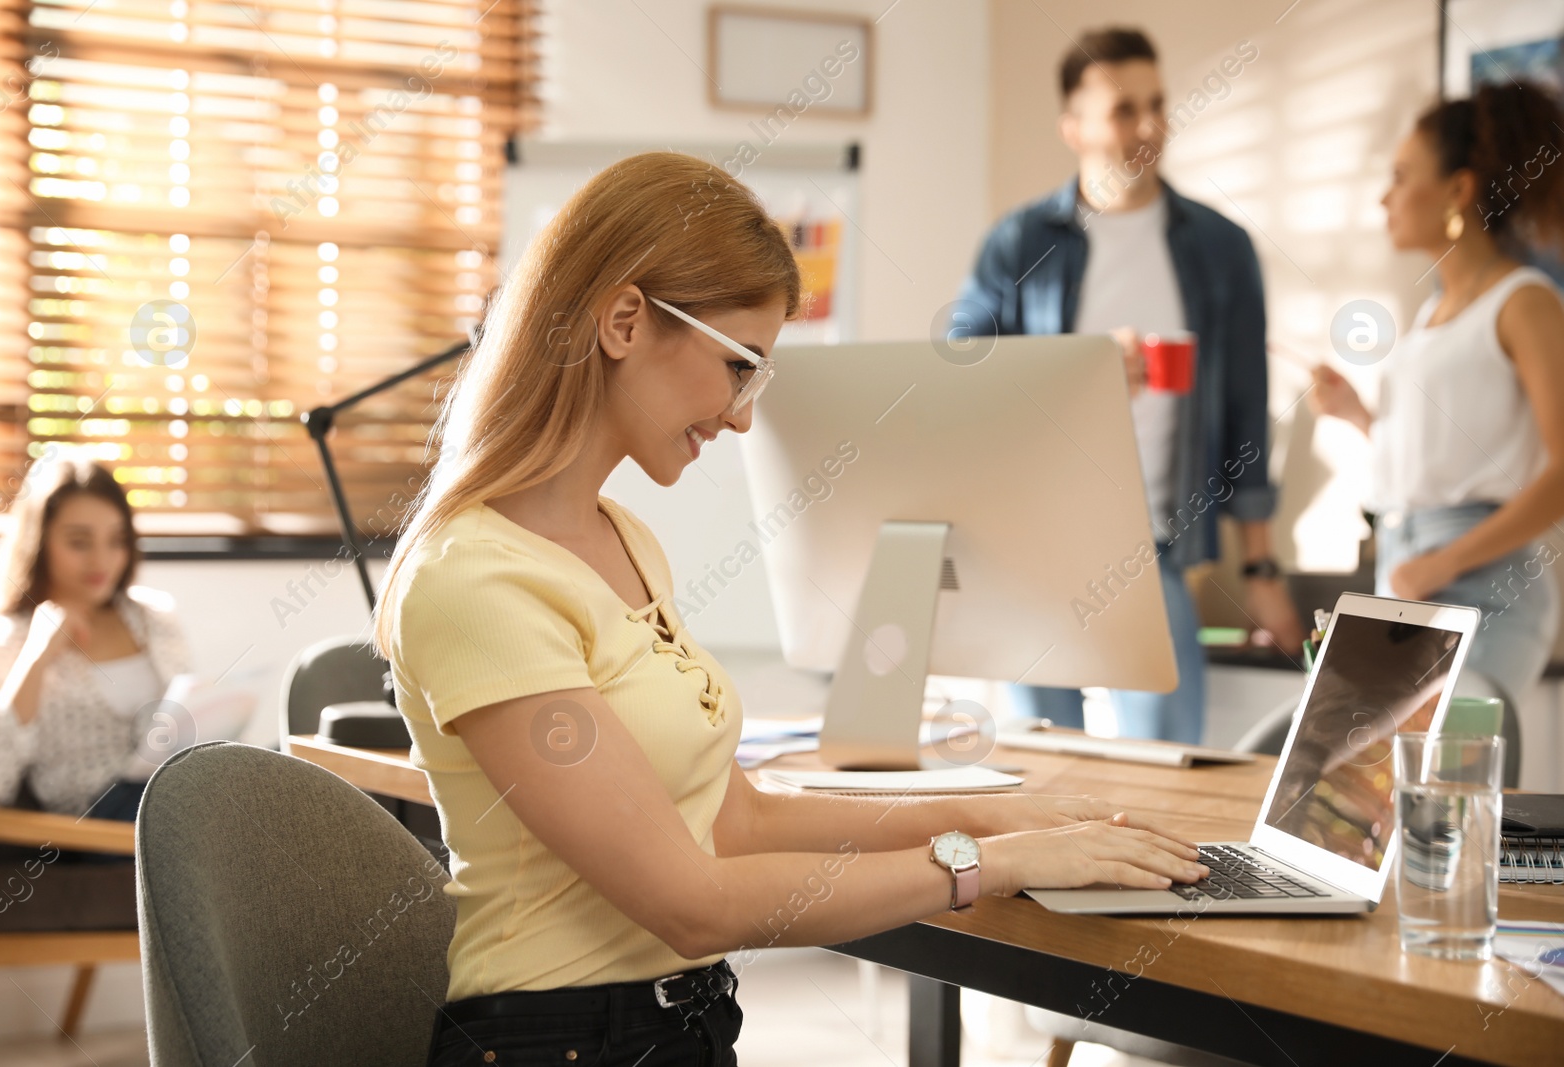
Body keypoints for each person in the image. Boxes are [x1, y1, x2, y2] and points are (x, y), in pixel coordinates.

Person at [375, 151, 1209, 1067]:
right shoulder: (475, 580)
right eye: (738, 365)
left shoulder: (625, 540)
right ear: (623, 320)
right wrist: (988, 863)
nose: (740, 417)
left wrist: (1005, 815)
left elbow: (742, 820)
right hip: (556, 1043)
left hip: (676, 1028)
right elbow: (693, 901)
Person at [952, 26, 1303, 744]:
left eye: (1157, 104)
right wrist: (1079, 368)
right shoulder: (1021, 243)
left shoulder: (1220, 249)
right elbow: (961, 369)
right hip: (1034, 546)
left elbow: (1245, 409)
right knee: (1036, 774)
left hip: (1155, 545)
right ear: (1073, 127)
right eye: (1122, 110)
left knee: (1168, 764)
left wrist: (1261, 567)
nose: (1148, 127)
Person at [1310, 80, 1564, 704]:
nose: (1383, 197)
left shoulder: (1524, 303)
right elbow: (1441, 461)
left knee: (1445, 780)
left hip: (1484, 590)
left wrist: (1444, 564)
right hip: (1409, 583)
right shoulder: (1430, 315)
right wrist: (1360, 417)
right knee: (1351, 787)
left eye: (1400, 176)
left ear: (1458, 189)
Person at [0, 456, 191, 825]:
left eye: (116, 541)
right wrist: (37, 657)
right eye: (79, 542)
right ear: (37, 542)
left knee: (290, 766)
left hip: (178, 787)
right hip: (104, 815)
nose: (101, 560)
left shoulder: (153, 617)